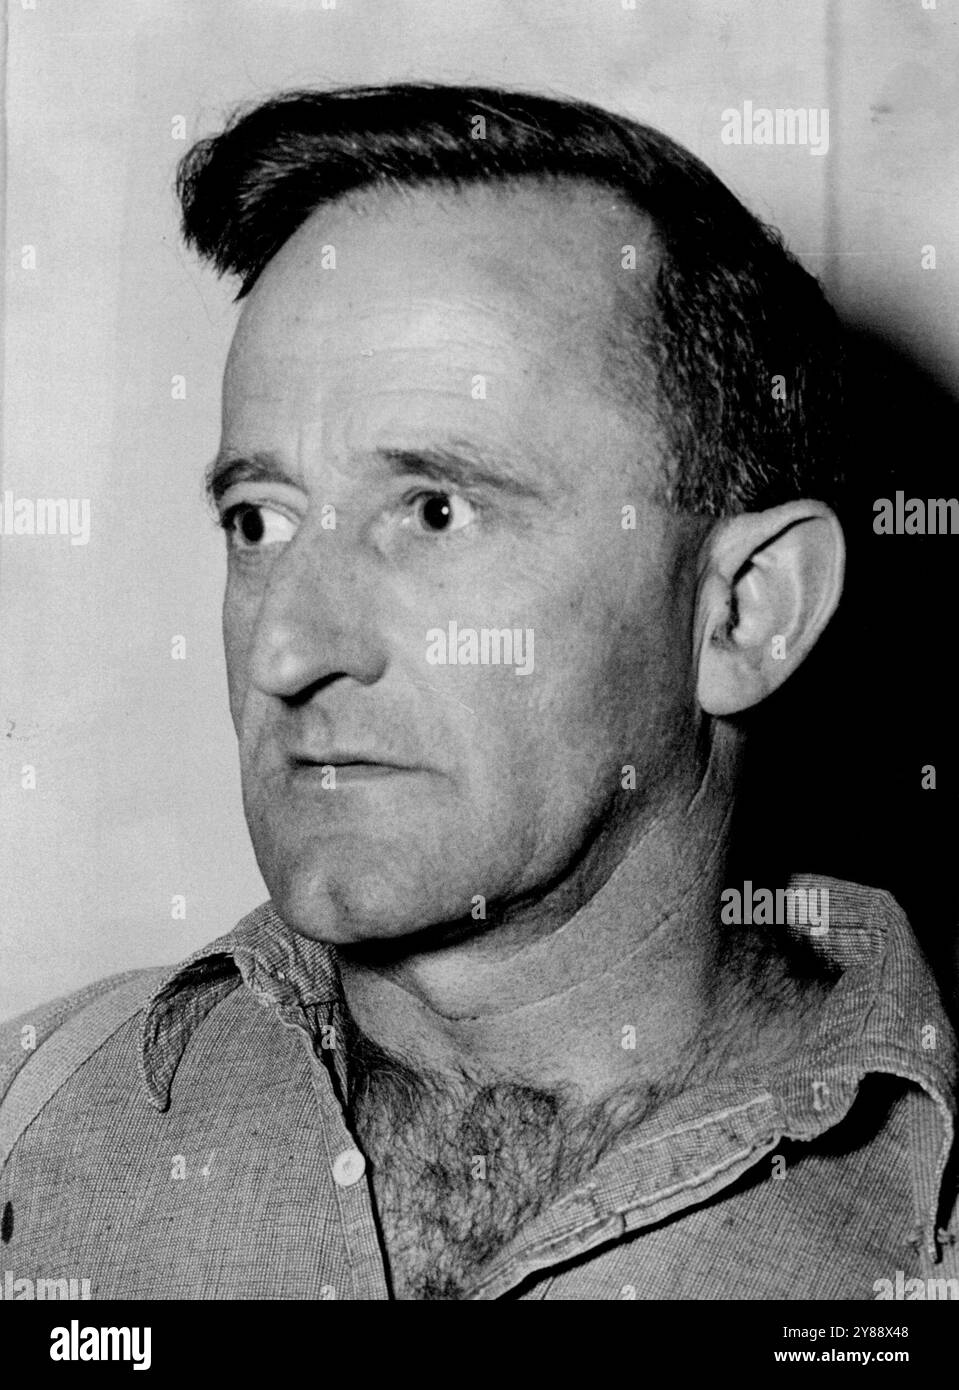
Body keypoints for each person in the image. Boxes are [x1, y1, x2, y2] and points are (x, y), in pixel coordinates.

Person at [1, 84, 955, 1301]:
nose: (286, 650)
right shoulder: (35, 1124)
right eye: (257, 520)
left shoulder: (917, 1246)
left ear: (742, 611)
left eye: (435, 511)